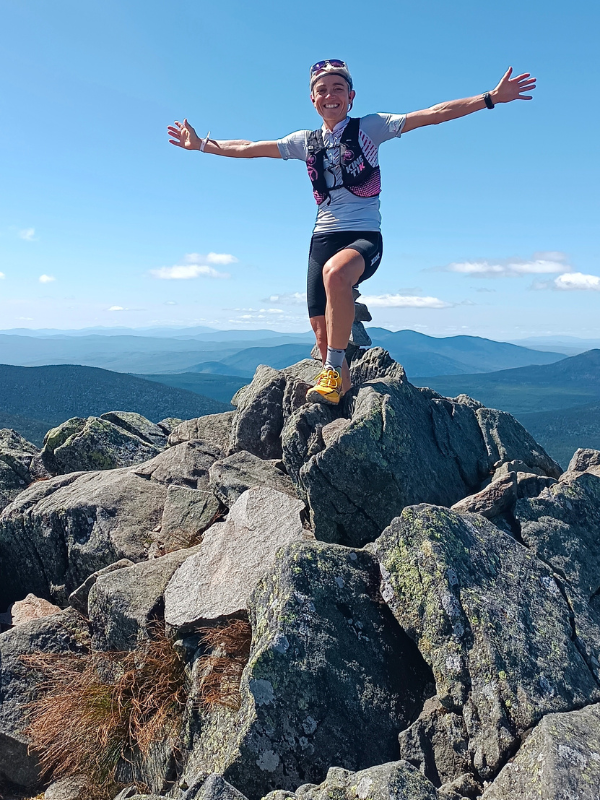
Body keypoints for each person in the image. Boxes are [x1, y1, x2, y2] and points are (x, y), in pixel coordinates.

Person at [168, 61, 536, 405]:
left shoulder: (370, 128)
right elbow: (249, 148)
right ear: (312, 99)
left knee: (336, 274)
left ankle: (330, 370)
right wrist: (201, 145)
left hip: (363, 237)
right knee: (321, 329)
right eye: (322, 90)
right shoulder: (304, 142)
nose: (330, 96)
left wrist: (490, 98)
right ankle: (339, 392)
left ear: (351, 96)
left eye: (338, 88)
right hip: (322, 237)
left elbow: (433, 115)